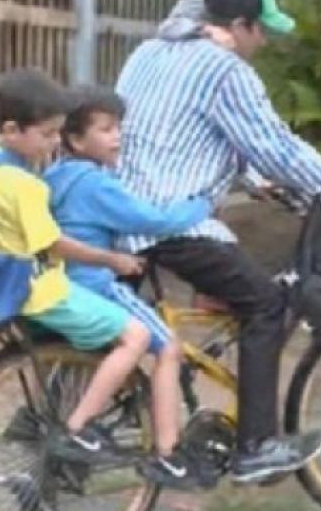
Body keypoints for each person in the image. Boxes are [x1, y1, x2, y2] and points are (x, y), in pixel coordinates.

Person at [115, 0, 321, 484]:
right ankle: (256, 446)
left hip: (115, 217)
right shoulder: (226, 70)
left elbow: (181, 133)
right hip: (168, 222)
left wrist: (253, 178)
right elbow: (276, 145)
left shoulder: (149, 53)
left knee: (124, 327)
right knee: (266, 304)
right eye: (261, 29)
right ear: (239, 25)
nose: (263, 41)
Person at [0, 68, 152, 468]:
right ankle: (79, 430)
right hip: (39, 290)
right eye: (46, 135)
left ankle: (37, 423)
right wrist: (112, 259)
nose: (53, 143)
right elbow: (53, 243)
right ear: (11, 129)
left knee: (75, 355)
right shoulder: (24, 184)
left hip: (3, 285)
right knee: (136, 336)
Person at [44, 87, 212, 487]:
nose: (117, 136)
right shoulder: (95, 184)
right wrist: (201, 205)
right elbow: (151, 219)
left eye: (118, 127)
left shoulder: (57, 175)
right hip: (94, 285)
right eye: (105, 129)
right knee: (167, 347)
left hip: (58, 281)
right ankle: (167, 453)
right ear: (76, 139)